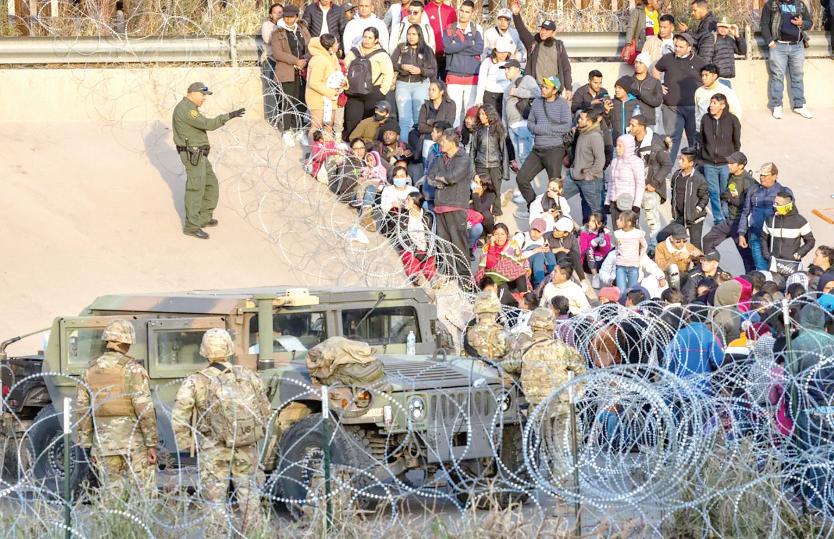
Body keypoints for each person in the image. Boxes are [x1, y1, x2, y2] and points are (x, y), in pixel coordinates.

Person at [172, 329, 271, 532]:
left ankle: (218, 534)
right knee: (249, 495)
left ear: (204, 351)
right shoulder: (247, 376)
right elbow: (265, 410)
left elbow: (179, 416)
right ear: (229, 349)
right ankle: (255, 534)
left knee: (214, 500)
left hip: (213, 448)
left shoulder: (196, 380)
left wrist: (187, 444)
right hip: (245, 446)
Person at [74, 319, 158, 498]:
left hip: (103, 442)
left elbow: (82, 410)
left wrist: (87, 444)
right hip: (133, 442)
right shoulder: (133, 369)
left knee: (111, 496)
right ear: (126, 341)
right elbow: (144, 409)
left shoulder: (89, 370)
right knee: (144, 496)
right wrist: (151, 443)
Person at [172, 82, 245, 239]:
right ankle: (192, 226)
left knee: (211, 184)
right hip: (193, 155)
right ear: (192, 93)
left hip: (199, 154)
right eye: (202, 95)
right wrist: (229, 116)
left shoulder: (191, 108)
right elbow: (208, 124)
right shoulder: (187, 109)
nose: (204, 98)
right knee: (196, 188)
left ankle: (203, 217)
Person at [516, 75, 571, 208]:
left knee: (554, 186)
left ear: (555, 90)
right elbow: (530, 124)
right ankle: (534, 206)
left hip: (555, 150)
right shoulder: (537, 102)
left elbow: (566, 126)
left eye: (547, 87)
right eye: (543, 86)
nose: (543, 89)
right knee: (521, 178)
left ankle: (554, 211)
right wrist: (540, 129)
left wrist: (542, 129)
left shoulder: (563, 104)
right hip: (537, 149)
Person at [428, 128, 474, 279]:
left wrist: (440, 179)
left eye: (443, 141)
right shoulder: (439, 158)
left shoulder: (463, 158)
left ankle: (464, 277)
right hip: (440, 205)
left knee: (459, 243)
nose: (440, 143)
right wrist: (442, 180)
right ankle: (448, 274)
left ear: (452, 142)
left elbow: (453, 177)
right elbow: (430, 177)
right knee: (444, 244)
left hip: (456, 205)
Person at [654, 33, 706, 159]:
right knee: (672, 140)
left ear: (689, 48)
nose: (677, 49)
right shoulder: (667, 58)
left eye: (681, 47)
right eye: (676, 46)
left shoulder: (699, 62)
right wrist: (658, 84)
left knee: (694, 141)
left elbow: (709, 78)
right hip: (671, 107)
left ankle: (694, 168)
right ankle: (668, 169)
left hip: (693, 108)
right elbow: (656, 69)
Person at [702, 151, 755, 271]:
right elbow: (728, 192)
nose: (728, 165)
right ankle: (712, 268)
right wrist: (726, 196)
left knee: (746, 257)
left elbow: (749, 205)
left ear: (741, 166)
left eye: (732, 163)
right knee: (708, 239)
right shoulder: (732, 175)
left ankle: (751, 278)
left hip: (740, 223)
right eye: (728, 162)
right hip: (729, 220)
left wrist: (731, 198)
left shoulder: (748, 182)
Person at [738, 162, 794, 271]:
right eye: (761, 175)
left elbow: (792, 216)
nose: (762, 178)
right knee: (760, 268)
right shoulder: (753, 190)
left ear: (774, 176)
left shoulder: (784, 192)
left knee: (776, 269)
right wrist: (741, 234)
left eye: (765, 175)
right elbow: (745, 212)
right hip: (756, 235)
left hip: (775, 239)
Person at [761, 0, 812, 119]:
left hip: (797, 46)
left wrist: (802, 23)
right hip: (778, 46)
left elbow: (809, 23)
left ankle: (799, 105)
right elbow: (764, 25)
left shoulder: (800, 4)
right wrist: (769, 41)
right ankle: (777, 106)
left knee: (798, 76)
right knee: (777, 76)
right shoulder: (771, 4)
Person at [511, 4, 573, 99]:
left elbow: (566, 68)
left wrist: (568, 88)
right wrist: (516, 15)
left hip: (553, 90)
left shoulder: (559, 46)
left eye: (547, 30)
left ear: (553, 33)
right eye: (542, 29)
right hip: (536, 88)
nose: (543, 32)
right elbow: (522, 30)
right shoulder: (533, 44)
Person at [629, 114, 671, 252]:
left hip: (649, 188)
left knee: (652, 220)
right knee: (632, 218)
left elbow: (667, 164)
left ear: (642, 127)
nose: (630, 127)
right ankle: (635, 246)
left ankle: (654, 248)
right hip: (634, 187)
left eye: (633, 125)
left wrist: (654, 183)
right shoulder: (630, 140)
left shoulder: (655, 143)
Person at [344, 28, 395, 139]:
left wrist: (382, 91)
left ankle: (367, 145)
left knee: (370, 123)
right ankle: (352, 143)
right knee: (352, 119)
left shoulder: (382, 55)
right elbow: (344, 68)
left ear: (376, 40)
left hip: (374, 92)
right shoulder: (354, 52)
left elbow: (388, 74)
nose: (366, 40)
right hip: (354, 92)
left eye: (370, 38)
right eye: (365, 37)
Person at [700, 93, 741, 226]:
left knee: (725, 191)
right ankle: (719, 220)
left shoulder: (733, 120)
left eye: (715, 103)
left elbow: (737, 142)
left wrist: (734, 160)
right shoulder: (705, 119)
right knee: (713, 192)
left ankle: (726, 216)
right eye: (711, 102)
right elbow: (702, 139)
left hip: (726, 164)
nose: (711, 106)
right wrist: (704, 156)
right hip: (709, 163)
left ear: (722, 105)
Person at [271, 5, 310, 139]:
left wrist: (304, 60)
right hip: (286, 70)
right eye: (286, 17)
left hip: (302, 70)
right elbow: (277, 53)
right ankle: (287, 130)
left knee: (300, 101)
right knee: (287, 101)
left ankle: (299, 129)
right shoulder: (278, 32)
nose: (288, 20)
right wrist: (296, 61)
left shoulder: (302, 29)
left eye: (291, 17)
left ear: (296, 17)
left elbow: (310, 46)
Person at [391, 26, 437, 141]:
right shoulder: (401, 47)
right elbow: (391, 63)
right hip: (402, 84)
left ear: (419, 35)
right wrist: (402, 66)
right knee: (404, 120)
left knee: (419, 118)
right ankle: (403, 146)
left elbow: (433, 70)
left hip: (420, 85)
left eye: (414, 34)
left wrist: (420, 71)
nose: (411, 37)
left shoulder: (427, 50)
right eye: (409, 34)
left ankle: (417, 146)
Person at [442, 0, 483, 127]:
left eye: (467, 12)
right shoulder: (450, 28)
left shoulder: (477, 29)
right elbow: (448, 48)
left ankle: (469, 138)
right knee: (454, 112)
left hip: (472, 77)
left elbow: (479, 49)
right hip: (454, 76)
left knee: (470, 113)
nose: (463, 14)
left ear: (472, 13)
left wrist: (457, 47)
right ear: (458, 11)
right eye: (462, 11)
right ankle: (455, 137)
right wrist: (468, 43)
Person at [761, 191, 815, 275]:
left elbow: (810, 241)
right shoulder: (769, 220)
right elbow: (763, 238)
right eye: (774, 202)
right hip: (773, 265)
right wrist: (767, 255)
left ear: (787, 206)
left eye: (778, 204)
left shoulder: (800, 221)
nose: (774, 205)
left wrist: (799, 254)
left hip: (792, 265)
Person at [475, 223, 529, 306]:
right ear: (492, 236)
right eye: (496, 234)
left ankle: (526, 299)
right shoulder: (486, 247)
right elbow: (490, 265)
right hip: (495, 280)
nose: (499, 237)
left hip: (511, 278)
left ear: (507, 235)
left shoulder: (512, 245)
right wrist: (492, 245)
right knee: (502, 286)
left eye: (502, 234)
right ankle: (511, 305)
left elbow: (520, 261)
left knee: (521, 274)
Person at [569, 106, 606, 223]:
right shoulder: (582, 132)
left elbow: (600, 160)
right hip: (574, 176)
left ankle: (601, 233)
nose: (579, 120)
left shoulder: (595, 137)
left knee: (596, 213)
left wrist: (590, 175)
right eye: (579, 118)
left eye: (582, 119)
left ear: (590, 122)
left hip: (590, 180)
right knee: (556, 197)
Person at [502, 59, 540, 168]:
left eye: (508, 68)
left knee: (525, 158)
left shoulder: (526, 79)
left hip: (523, 123)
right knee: (521, 158)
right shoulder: (507, 88)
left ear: (517, 69)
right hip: (512, 126)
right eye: (505, 69)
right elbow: (504, 110)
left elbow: (538, 93)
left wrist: (517, 92)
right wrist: (504, 129)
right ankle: (529, 179)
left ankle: (530, 179)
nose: (506, 71)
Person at [470, 104, 508, 214]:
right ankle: (482, 212)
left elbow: (504, 151)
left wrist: (505, 172)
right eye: (480, 114)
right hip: (480, 166)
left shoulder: (498, 130)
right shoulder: (477, 131)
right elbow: (472, 152)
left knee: (496, 192)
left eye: (484, 114)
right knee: (479, 191)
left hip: (495, 166)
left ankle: (496, 213)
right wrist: (473, 173)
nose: (481, 116)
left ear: (490, 115)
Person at [669, 147, 708, 249]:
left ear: (691, 163)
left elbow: (704, 197)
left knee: (695, 245)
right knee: (667, 238)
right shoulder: (676, 175)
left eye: (682, 160)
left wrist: (697, 210)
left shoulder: (699, 178)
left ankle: (698, 260)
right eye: (679, 159)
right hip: (680, 217)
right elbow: (673, 190)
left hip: (695, 219)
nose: (679, 162)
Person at [306, 35, 343, 141]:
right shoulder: (319, 60)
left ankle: (327, 149)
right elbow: (314, 82)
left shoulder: (332, 57)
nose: (338, 45)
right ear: (330, 47)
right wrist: (331, 93)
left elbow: (338, 74)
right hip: (318, 98)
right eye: (336, 43)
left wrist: (343, 83)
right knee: (316, 126)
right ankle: (314, 149)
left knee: (329, 125)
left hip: (331, 98)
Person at [397, 191, 437, 284]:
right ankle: (415, 277)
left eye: (408, 199)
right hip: (410, 247)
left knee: (429, 260)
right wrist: (414, 250)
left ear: (416, 202)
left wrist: (427, 250)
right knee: (409, 258)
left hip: (426, 247)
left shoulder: (428, 217)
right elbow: (402, 237)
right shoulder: (403, 217)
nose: (405, 201)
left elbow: (432, 235)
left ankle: (433, 279)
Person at [606, 134, 645, 227]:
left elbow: (640, 184)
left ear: (628, 147)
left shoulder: (636, 162)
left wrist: (636, 204)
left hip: (628, 204)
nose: (617, 148)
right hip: (614, 204)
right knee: (617, 231)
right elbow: (611, 183)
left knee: (629, 231)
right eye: (616, 145)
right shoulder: (614, 161)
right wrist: (607, 201)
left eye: (620, 146)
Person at [698, 16, 747, 85]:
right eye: (721, 26)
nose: (723, 29)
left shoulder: (729, 39)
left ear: (729, 29)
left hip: (728, 78)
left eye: (726, 27)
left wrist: (737, 36)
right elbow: (706, 60)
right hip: (716, 79)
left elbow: (742, 51)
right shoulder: (711, 38)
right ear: (717, 27)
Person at [415, 80, 456, 160]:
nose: (430, 92)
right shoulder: (425, 106)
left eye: (433, 90)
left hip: (443, 136)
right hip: (427, 136)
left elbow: (448, 125)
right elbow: (421, 127)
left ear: (441, 92)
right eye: (429, 90)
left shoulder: (450, 104)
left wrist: (430, 123)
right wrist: (435, 128)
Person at [694, 64, 742, 131]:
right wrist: (699, 128)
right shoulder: (699, 91)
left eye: (706, 75)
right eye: (702, 75)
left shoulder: (726, 91)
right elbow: (697, 112)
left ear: (715, 76)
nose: (703, 78)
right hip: (704, 131)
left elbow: (736, 111)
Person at [466, 291, 510, 358]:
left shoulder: (470, 333)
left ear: (477, 314)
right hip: (495, 364)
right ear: (495, 313)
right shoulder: (502, 333)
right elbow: (510, 359)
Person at [475, 40, 514, 115]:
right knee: (491, 117)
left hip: (505, 94)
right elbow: (481, 81)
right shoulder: (487, 62)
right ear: (495, 51)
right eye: (500, 52)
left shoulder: (511, 62)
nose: (503, 55)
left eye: (505, 52)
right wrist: (479, 99)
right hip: (490, 95)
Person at [261, 4, 284, 126]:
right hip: (270, 59)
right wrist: (280, 29)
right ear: (271, 14)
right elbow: (268, 40)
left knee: (282, 90)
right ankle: (272, 117)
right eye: (275, 12)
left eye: (280, 12)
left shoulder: (285, 25)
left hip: (283, 61)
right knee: (271, 88)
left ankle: (282, 115)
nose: (278, 15)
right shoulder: (267, 25)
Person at [613, 210, 647, 291]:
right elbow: (617, 246)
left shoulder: (638, 233)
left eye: (620, 219)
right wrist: (618, 255)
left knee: (632, 290)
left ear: (628, 223)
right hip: (620, 265)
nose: (617, 221)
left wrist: (639, 258)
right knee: (621, 290)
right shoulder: (617, 233)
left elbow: (644, 246)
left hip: (633, 266)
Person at [544, 216, 586, 282]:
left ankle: (582, 280)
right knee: (561, 253)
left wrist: (567, 251)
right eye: (555, 228)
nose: (554, 231)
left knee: (574, 254)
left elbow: (577, 253)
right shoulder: (547, 236)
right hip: (554, 261)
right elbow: (544, 250)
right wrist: (560, 249)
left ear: (565, 233)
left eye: (558, 230)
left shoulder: (572, 238)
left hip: (568, 261)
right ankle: (565, 277)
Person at [515, 218, 552, 288]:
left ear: (543, 232)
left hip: (536, 266)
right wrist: (535, 250)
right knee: (538, 255)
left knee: (549, 254)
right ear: (530, 228)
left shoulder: (543, 240)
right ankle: (539, 285)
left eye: (539, 231)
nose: (535, 234)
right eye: (534, 230)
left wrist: (546, 251)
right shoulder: (521, 237)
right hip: (522, 264)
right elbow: (514, 255)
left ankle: (551, 279)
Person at [424, 0, 457, 78]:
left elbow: (456, 30)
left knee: (447, 82)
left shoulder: (450, 10)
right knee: (432, 81)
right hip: (432, 55)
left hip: (449, 54)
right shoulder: (425, 10)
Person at [579, 211, 612, 288]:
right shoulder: (585, 233)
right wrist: (593, 243)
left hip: (601, 262)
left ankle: (611, 278)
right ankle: (595, 276)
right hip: (588, 264)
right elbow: (583, 251)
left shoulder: (605, 233)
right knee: (589, 251)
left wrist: (602, 243)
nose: (590, 223)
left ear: (600, 224)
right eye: (590, 220)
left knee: (614, 252)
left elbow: (606, 252)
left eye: (593, 221)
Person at [629, 53, 663, 127]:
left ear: (646, 65)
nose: (637, 65)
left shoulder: (655, 82)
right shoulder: (628, 81)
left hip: (647, 121)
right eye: (636, 62)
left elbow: (657, 102)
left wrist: (641, 95)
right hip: (630, 120)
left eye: (640, 63)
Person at [610, 76, 640, 141]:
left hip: (631, 140)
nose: (616, 90)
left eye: (620, 88)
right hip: (615, 140)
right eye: (615, 87)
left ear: (627, 90)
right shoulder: (611, 103)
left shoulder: (636, 103)